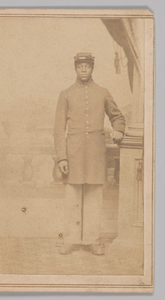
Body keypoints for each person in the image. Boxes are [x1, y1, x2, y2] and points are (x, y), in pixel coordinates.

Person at [54, 53, 125, 255]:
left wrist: (118, 128)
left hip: (95, 154)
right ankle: (71, 239)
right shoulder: (65, 94)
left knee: (94, 199)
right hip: (73, 154)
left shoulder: (102, 92)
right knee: (72, 198)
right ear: (75, 68)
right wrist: (62, 157)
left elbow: (117, 116)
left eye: (87, 66)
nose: (83, 69)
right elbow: (59, 129)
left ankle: (92, 240)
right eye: (80, 66)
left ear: (92, 68)